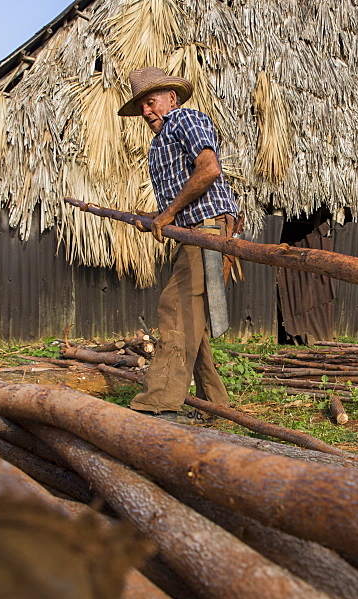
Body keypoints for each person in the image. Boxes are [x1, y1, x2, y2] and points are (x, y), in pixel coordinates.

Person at [117, 66, 236, 421]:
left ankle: (159, 404)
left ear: (171, 98)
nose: (146, 112)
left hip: (207, 233)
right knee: (191, 320)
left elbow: (209, 169)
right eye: (141, 107)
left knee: (175, 308)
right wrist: (155, 217)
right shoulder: (160, 142)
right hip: (191, 233)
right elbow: (181, 199)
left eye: (151, 103)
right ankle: (215, 405)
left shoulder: (185, 119)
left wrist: (166, 214)